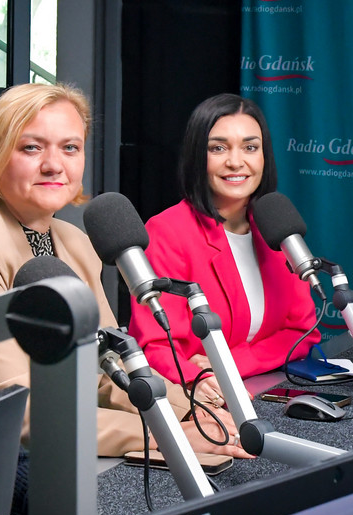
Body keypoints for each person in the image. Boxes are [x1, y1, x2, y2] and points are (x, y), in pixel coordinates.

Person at [0, 83, 248, 459]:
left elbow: (105, 371)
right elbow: (12, 408)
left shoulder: (73, 241)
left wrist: (198, 412)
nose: (55, 165)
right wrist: (165, 432)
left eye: (70, 148)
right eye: (31, 147)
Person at [127, 94, 321, 401]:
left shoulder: (275, 228)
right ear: (196, 156)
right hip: (199, 398)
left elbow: (302, 332)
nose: (235, 161)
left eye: (250, 147)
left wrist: (231, 363)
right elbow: (155, 345)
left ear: (264, 157)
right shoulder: (168, 231)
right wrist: (198, 378)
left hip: (260, 388)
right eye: (218, 148)